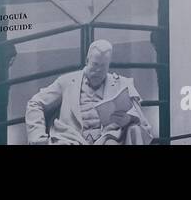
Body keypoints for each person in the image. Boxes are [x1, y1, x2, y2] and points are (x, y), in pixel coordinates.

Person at [25, 40, 154, 145]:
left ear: (109, 65)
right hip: (71, 140)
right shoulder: (66, 82)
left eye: (103, 66)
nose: (98, 70)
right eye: (95, 64)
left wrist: (128, 120)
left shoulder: (122, 84)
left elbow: (142, 123)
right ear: (87, 61)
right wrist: (37, 138)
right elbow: (35, 103)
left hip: (110, 139)